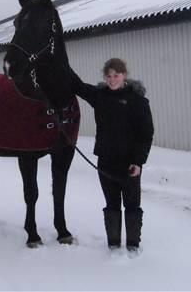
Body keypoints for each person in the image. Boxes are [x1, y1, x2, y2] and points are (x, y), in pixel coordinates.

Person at [70, 58, 154, 252]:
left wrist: (138, 161)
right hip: (106, 161)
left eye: (116, 75)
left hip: (129, 164)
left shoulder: (137, 101)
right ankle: (114, 244)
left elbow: (146, 133)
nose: (112, 79)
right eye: (108, 76)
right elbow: (77, 85)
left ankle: (133, 245)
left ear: (124, 75)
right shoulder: (100, 96)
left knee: (132, 205)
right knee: (111, 204)